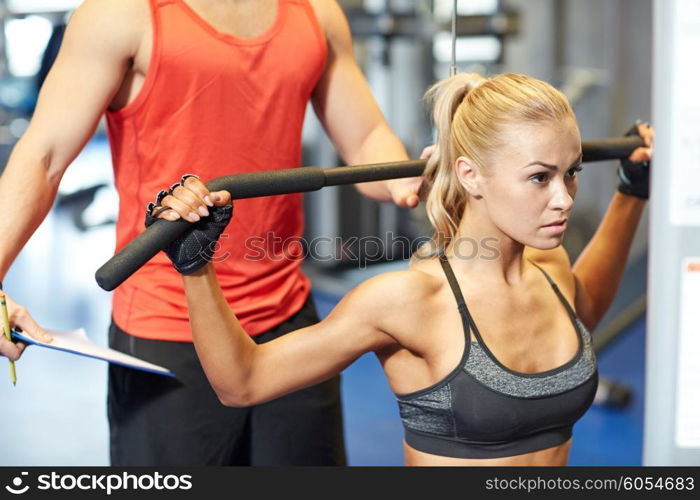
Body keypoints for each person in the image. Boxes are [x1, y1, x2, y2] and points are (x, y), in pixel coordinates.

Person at [148, 72, 653, 466]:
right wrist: (196, 267)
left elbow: (582, 309)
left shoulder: (549, 267)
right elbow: (244, 383)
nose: (563, 198)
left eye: (572, 173)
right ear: (470, 175)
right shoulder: (407, 302)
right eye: (540, 178)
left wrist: (631, 193)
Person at [0, 0, 422, 465]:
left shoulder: (316, 12)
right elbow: (43, 158)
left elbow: (365, 138)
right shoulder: (121, 13)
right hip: (169, 326)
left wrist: (409, 179)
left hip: (288, 319)